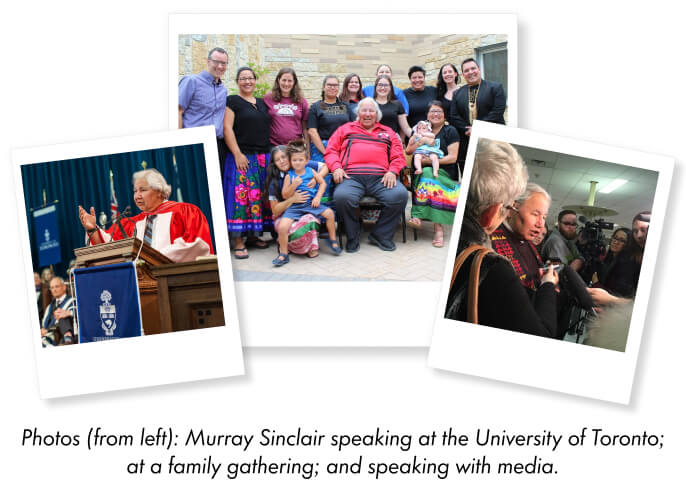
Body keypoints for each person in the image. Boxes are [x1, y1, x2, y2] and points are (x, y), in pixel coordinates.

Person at [444, 138, 561, 338]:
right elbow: (541, 336)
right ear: (493, 212)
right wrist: (548, 287)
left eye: (544, 217)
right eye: (509, 207)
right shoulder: (493, 264)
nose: (541, 223)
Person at [324, 97, 408, 252]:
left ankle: (381, 234)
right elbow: (331, 150)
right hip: (351, 178)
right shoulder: (345, 129)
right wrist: (336, 168)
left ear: (377, 114)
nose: (367, 114)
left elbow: (398, 156)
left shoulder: (388, 132)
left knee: (399, 195)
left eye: (371, 110)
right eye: (364, 110)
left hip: (381, 179)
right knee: (342, 197)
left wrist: (392, 171)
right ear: (358, 113)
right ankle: (353, 234)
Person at [78, 168, 213, 263]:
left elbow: (197, 245)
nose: (137, 196)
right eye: (135, 191)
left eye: (143, 190)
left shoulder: (186, 212)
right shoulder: (130, 223)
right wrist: (92, 229)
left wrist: (152, 259)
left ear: (159, 191)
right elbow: (109, 247)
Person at [223, 66, 273, 259]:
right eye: (243, 78)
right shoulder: (232, 101)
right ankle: (238, 240)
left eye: (250, 78)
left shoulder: (261, 103)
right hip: (242, 156)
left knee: (258, 196)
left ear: (255, 80)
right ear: (237, 82)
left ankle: (253, 236)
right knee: (241, 198)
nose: (247, 81)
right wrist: (237, 154)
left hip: (263, 156)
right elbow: (227, 128)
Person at [273, 140, 341, 266]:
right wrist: (293, 185)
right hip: (295, 207)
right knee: (283, 227)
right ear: (290, 161)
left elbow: (323, 183)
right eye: (294, 160)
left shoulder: (311, 171)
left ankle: (333, 240)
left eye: (300, 160)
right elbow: (285, 195)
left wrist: (318, 197)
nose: (297, 163)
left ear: (306, 160)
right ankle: (283, 254)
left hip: (311, 204)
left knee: (330, 214)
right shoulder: (289, 176)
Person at [405, 101, 460, 247]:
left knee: (430, 176)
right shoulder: (418, 129)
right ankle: (438, 229)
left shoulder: (450, 131)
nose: (435, 114)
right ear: (427, 115)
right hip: (420, 171)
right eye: (432, 111)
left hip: (443, 172)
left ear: (444, 115)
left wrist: (428, 162)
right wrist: (420, 141)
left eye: (439, 111)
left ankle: (420, 217)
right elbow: (409, 151)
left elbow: (453, 157)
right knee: (428, 176)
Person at [266, 145, 329, 258]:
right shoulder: (275, 181)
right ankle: (286, 246)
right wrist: (291, 199)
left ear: (290, 157)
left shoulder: (301, 165)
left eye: (284, 157)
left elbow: (325, 166)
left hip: (305, 210)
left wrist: (315, 178)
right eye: (277, 160)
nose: (281, 161)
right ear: (274, 163)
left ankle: (310, 246)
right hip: (285, 214)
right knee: (287, 227)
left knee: (310, 219)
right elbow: (275, 211)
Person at [449, 58, 506, 174]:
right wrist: (468, 130)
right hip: (467, 140)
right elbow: (454, 116)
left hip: (492, 139)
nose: (470, 72)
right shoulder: (457, 94)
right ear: (463, 74)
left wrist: (478, 128)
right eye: (466, 70)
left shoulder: (495, 87)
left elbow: (497, 112)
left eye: (473, 68)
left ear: (479, 69)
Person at [178, 47, 229, 175]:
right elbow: (178, 111)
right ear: (208, 61)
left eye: (223, 63)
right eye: (216, 62)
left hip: (218, 144)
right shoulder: (191, 81)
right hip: (195, 143)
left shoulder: (223, 90)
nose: (220, 66)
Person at [490, 183, 550, 292]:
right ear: (512, 208)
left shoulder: (528, 241)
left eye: (544, 217)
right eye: (535, 214)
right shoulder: (489, 240)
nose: (540, 224)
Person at [595, 212, 650, 298]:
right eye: (615, 238)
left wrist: (596, 283)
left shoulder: (627, 265)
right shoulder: (610, 259)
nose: (616, 242)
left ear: (628, 244)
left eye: (621, 240)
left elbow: (619, 296)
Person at [307, 75, 354, 163]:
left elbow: (354, 127)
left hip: (343, 148)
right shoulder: (315, 107)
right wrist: (326, 152)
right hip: (321, 148)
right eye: (329, 85)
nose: (332, 87)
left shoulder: (345, 106)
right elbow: (312, 131)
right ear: (323, 87)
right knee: (323, 176)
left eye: (335, 85)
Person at [263, 67, 309, 147]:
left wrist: (308, 150)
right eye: (284, 80)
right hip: (274, 147)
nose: (286, 84)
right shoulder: (268, 98)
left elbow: (305, 127)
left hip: (295, 147)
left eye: (290, 81)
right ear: (278, 80)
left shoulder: (301, 101)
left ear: (294, 82)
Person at [372, 75, 412, 140]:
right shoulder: (369, 103)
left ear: (390, 87)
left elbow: (406, 128)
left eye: (386, 85)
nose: (382, 88)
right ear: (375, 87)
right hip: (374, 140)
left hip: (393, 141)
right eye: (380, 85)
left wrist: (418, 138)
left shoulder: (397, 104)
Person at [40, 277, 76, 347]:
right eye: (52, 288)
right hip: (47, 335)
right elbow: (44, 323)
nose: (54, 290)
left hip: (61, 335)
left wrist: (68, 313)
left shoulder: (72, 301)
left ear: (64, 287)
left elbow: (77, 313)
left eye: (57, 286)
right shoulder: (49, 306)